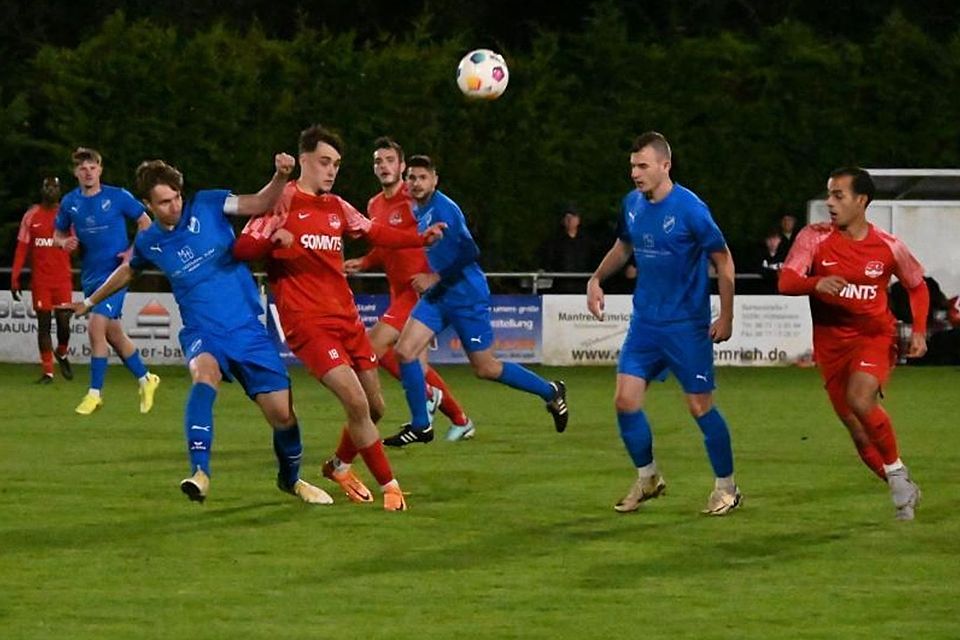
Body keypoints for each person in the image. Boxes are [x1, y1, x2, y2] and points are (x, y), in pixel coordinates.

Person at [70, 152, 333, 506]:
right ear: (148, 204)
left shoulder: (208, 203)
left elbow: (259, 202)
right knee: (203, 376)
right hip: (202, 331)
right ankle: (200, 472)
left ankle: (291, 480)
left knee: (283, 416)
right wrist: (90, 302)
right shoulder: (150, 242)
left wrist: (280, 176)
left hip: (246, 330)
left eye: (176, 196)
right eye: (163, 202)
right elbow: (130, 270)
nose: (174, 205)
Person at [233, 126, 444, 511]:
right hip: (309, 325)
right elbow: (243, 246)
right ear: (305, 160)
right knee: (357, 404)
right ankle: (390, 487)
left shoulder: (337, 207)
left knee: (376, 407)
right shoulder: (281, 201)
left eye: (337, 165)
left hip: (347, 320)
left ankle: (338, 466)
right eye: (325, 162)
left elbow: (375, 230)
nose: (331, 171)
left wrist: (420, 239)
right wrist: (271, 240)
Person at [586, 131, 742, 516]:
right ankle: (648, 477)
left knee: (699, 407)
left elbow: (723, 260)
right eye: (632, 166)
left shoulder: (691, 209)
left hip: (686, 326)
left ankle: (727, 488)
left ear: (664, 165)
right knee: (625, 401)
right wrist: (595, 279)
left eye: (642, 166)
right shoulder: (632, 204)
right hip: (645, 324)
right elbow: (625, 246)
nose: (635, 174)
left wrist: (726, 314)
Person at [382, 154, 568, 448]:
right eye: (412, 177)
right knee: (405, 352)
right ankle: (421, 425)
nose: (415, 183)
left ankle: (551, 391)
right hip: (440, 295)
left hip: (466, 295)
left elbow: (470, 251)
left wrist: (435, 277)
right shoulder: (417, 208)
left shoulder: (445, 208)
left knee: (485, 368)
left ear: (434, 179)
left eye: (422, 177)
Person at [779, 167, 927, 521]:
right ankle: (902, 486)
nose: (829, 203)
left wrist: (919, 330)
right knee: (859, 434)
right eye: (829, 194)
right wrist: (816, 283)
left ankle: (895, 472)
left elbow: (917, 285)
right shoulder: (813, 238)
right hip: (831, 347)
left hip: (875, 336)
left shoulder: (888, 246)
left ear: (861, 201)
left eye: (838, 196)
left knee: (860, 398)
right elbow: (786, 281)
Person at [343, 136, 475, 441]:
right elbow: (386, 244)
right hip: (397, 290)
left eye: (390, 160)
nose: (384, 166)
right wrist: (363, 262)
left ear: (402, 166)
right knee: (413, 361)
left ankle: (429, 401)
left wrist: (437, 275)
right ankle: (459, 418)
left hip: (419, 290)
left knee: (372, 347)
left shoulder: (415, 197)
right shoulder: (374, 204)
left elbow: (441, 236)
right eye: (378, 161)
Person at [53, 147, 160, 415]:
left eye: (92, 167)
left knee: (96, 326)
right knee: (113, 335)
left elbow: (146, 222)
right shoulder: (70, 202)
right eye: (82, 168)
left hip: (117, 274)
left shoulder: (118, 196)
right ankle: (147, 379)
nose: (88, 172)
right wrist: (65, 241)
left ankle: (94, 393)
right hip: (90, 274)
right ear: (76, 172)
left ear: (100, 169)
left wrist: (133, 252)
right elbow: (57, 234)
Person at [11, 177, 76, 383]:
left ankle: (62, 351)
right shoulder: (31, 215)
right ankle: (47, 371)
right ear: (42, 189)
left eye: (55, 186)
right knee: (44, 325)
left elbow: (77, 241)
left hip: (62, 278)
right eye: (47, 186)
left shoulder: (66, 215)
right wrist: (15, 276)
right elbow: (22, 247)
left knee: (64, 323)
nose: (51, 190)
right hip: (41, 281)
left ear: (60, 190)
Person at [541, 205, 595, 293]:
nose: (570, 220)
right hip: (561, 287)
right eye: (567, 218)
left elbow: (593, 261)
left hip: (583, 287)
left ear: (578, 220)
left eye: (573, 217)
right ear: (562, 221)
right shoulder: (554, 241)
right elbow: (548, 262)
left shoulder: (588, 241)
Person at [757, 226, 783, 292]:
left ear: (779, 240)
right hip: (763, 291)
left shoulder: (784, 256)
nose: (772, 242)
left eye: (775, 239)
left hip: (780, 293)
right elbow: (758, 270)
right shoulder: (759, 256)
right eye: (769, 239)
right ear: (765, 241)